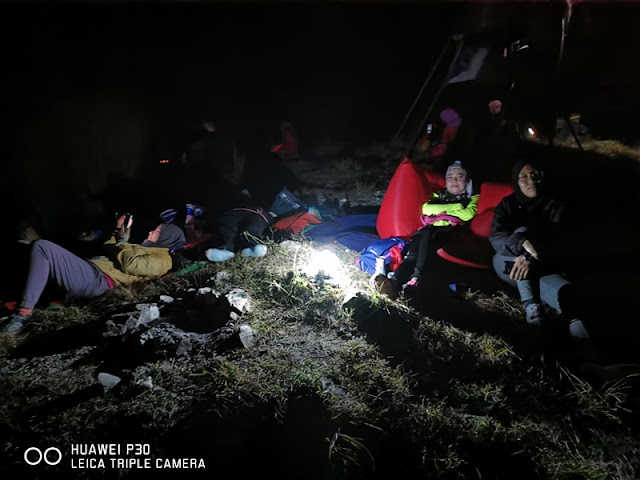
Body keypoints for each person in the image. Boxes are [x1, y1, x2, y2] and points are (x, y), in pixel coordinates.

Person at [0, 215, 180, 334]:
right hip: (91, 272)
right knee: (28, 252)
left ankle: (21, 316)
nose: (150, 232)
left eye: (156, 231)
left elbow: (132, 264)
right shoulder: (141, 247)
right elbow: (111, 248)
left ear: (167, 238)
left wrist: (123, 241)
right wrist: (117, 232)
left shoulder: (163, 259)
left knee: (42, 247)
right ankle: (16, 307)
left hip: (98, 280)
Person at [489, 159, 590, 339]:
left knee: (568, 296)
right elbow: (497, 236)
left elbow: (562, 239)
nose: (531, 181)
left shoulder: (556, 204)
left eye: (535, 175)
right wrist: (522, 244)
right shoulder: (508, 204)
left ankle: (583, 347)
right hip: (509, 264)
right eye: (524, 177)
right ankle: (532, 308)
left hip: (544, 266)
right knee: (522, 232)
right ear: (516, 181)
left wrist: (532, 257)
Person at [375, 161, 479, 298]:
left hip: (450, 233)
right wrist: (456, 207)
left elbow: (468, 214)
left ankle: (415, 279)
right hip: (429, 231)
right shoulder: (439, 195)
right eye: (450, 177)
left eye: (459, 177)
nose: (454, 181)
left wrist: (441, 211)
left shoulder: (473, 197)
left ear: (467, 180)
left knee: (425, 236)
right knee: (413, 253)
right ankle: (394, 284)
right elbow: (426, 208)